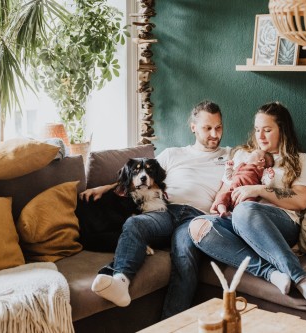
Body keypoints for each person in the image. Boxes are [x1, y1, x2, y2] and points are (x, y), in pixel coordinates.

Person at [80, 100, 231, 314]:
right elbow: (140, 176)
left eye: (219, 127)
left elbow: (260, 160)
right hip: (166, 211)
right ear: (193, 127)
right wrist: (105, 187)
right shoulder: (172, 154)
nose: (215, 134)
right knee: (134, 223)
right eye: (208, 128)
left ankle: (170, 326)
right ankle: (121, 281)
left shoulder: (231, 155)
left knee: (184, 257)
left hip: (196, 220)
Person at [188, 102, 306, 312]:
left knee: (245, 210)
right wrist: (219, 207)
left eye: (268, 130)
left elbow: (300, 200)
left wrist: (259, 190)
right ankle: (272, 274)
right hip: (237, 220)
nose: (260, 136)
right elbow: (226, 188)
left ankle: (302, 280)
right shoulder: (243, 156)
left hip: (281, 222)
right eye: (257, 129)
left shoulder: (300, 160)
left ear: (283, 130)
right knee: (198, 227)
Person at [214, 149, 274, 217]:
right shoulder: (241, 165)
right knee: (222, 197)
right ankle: (223, 212)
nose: (249, 154)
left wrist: (270, 176)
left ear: (261, 160)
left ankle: (238, 216)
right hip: (232, 191)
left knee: (247, 205)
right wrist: (229, 168)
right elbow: (230, 177)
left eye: (253, 153)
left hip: (247, 194)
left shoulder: (260, 170)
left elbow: (266, 183)